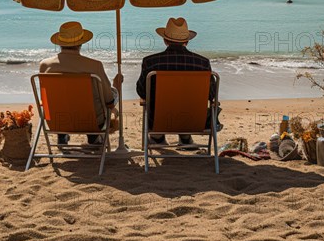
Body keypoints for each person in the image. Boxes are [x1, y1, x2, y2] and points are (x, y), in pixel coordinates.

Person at [136, 17, 218, 147]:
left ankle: (157, 137)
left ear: (165, 40)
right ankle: (185, 138)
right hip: (195, 121)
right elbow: (212, 94)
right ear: (186, 41)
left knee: (155, 102)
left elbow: (142, 91)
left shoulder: (150, 62)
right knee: (187, 101)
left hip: (159, 120)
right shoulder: (203, 63)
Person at [40, 21, 119, 145]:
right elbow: (108, 100)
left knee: (62, 99)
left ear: (60, 43)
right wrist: (116, 87)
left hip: (58, 120)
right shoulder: (94, 66)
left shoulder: (45, 65)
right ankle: (93, 136)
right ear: (81, 42)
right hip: (91, 121)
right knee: (112, 95)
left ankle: (62, 134)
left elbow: (45, 98)